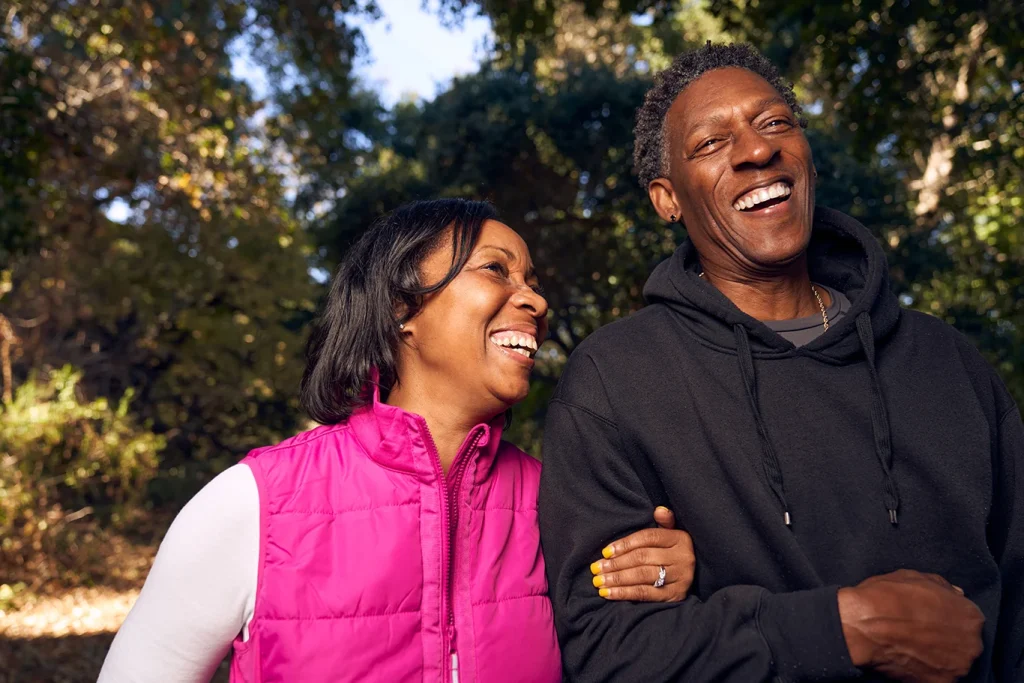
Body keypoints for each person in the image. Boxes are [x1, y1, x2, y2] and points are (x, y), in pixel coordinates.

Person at [539, 43, 1023, 682]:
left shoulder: (946, 362)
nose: (756, 150)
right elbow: (607, 649)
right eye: (712, 144)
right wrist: (846, 628)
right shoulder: (617, 382)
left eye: (774, 123)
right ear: (667, 199)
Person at [97, 199, 697, 682]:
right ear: (400, 308)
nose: (536, 301)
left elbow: (622, 648)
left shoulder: (557, 501)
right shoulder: (252, 506)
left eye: (532, 281)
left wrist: (671, 578)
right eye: (495, 269)